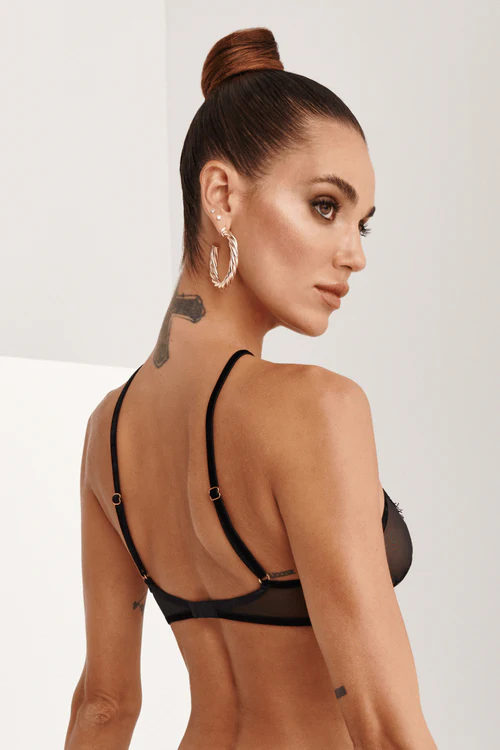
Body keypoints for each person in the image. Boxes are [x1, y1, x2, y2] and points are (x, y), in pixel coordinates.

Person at [64, 26, 437, 750]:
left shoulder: (106, 433)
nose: (354, 255)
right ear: (222, 196)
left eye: (362, 225)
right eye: (325, 206)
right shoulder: (317, 408)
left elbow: (102, 706)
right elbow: (385, 726)